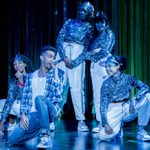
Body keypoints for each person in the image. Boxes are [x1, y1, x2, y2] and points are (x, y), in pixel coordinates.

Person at [8, 46, 64, 148]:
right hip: (33, 114)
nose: (52, 60)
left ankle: (46, 136)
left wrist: (55, 71)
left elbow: (58, 96)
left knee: (39, 98)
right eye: (50, 56)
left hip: (50, 111)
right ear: (42, 58)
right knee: (12, 139)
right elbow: (25, 98)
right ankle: (38, 130)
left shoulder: (57, 74)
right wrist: (23, 115)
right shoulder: (30, 77)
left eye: (54, 57)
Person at [56, 1, 94, 131]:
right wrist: (64, 57)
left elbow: (87, 47)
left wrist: (75, 61)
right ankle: (51, 117)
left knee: (77, 88)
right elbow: (59, 39)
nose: (82, 12)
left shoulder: (89, 27)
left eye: (85, 11)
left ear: (89, 14)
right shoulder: (69, 22)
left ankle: (81, 120)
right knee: (58, 85)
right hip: (64, 52)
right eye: (81, 9)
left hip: (78, 53)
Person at [97, 55, 150, 141]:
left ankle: (141, 131)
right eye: (106, 66)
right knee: (103, 136)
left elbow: (145, 87)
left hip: (127, 107)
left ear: (118, 66)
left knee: (148, 96)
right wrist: (105, 124)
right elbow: (103, 105)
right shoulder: (106, 83)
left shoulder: (128, 78)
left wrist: (135, 98)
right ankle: (118, 127)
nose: (107, 69)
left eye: (109, 66)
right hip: (113, 109)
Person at [86, 11, 115, 133]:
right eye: (97, 22)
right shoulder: (94, 36)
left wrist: (93, 53)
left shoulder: (109, 34)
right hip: (94, 65)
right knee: (97, 94)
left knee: (104, 94)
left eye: (101, 22)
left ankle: (107, 121)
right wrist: (92, 53)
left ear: (106, 23)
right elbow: (87, 53)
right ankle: (100, 121)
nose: (99, 24)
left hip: (104, 64)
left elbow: (104, 51)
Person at [0, 54, 34, 133]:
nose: (17, 65)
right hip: (19, 108)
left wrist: (21, 79)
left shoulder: (31, 77)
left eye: (20, 63)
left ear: (25, 64)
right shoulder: (14, 81)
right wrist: (1, 123)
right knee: (3, 102)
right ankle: (11, 122)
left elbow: (27, 97)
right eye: (15, 64)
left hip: (30, 108)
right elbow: (9, 100)